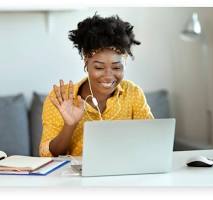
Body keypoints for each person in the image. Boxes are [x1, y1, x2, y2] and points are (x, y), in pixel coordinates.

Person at [39, 14, 154, 157]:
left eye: (117, 68)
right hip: (76, 178)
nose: (108, 75)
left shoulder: (133, 93)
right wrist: (70, 125)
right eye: (99, 68)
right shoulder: (61, 97)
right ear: (86, 63)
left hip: (125, 174)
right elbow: (48, 155)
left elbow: (151, 141)